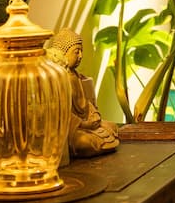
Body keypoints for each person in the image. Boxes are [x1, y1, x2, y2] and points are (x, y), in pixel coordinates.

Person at [45, 28, 119, 157]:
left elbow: (86, 103)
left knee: (112, 127)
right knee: (83, 142)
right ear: (63, 53)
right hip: (72, 127)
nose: (80, 56)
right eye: (76, 52)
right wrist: (82, 124)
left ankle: (97, 140)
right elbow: (62, 113)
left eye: (81, 51)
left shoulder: (78, 77)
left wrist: (94, 116)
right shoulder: (57, 79)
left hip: (87, 123)